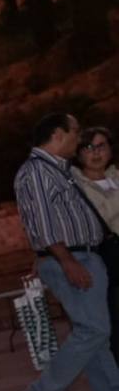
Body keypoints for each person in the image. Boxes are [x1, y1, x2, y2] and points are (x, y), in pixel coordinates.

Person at [14, 113, 119, 391]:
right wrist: (66, 260)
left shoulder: (57, 170)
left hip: (83, 256)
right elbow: (43, 225)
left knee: (95, 332)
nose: (79, 140)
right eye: (75, 133)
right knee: (95, 330)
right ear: (58, 134)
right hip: (70, 259)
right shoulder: (36, 172)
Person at [73, 125, 119, 364]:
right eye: (89, 147)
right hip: (107, 263)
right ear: (79, 153)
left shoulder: (117, 178)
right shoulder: (75, 188)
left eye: (101, 145)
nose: (96, 152)